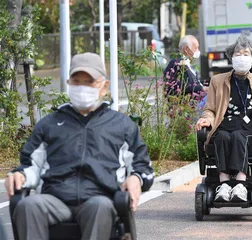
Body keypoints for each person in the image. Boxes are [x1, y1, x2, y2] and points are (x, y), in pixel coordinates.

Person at [5, 52, 154, 240]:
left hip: (99, 198)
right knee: (28, 205)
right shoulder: (50, 124)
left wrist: (136, 178)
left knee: (100, 206)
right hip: (55, 199)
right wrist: (20, 175)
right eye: (77, 81)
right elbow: (30, 165)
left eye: (89, 82)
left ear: (104, 87)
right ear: (68, 83)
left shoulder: (122, 126)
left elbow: (144, 169)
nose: (82, 87)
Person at [196, 35, 252, 202]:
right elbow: (210, 109)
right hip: (224, 125)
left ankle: (240, 183)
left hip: (250, 128)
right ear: (231, 57)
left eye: (246, 54)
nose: (242, 57)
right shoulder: (218, 81)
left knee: (239, 136)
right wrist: (206, 120)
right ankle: (224, 184)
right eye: (237, 54)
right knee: (222, 137)